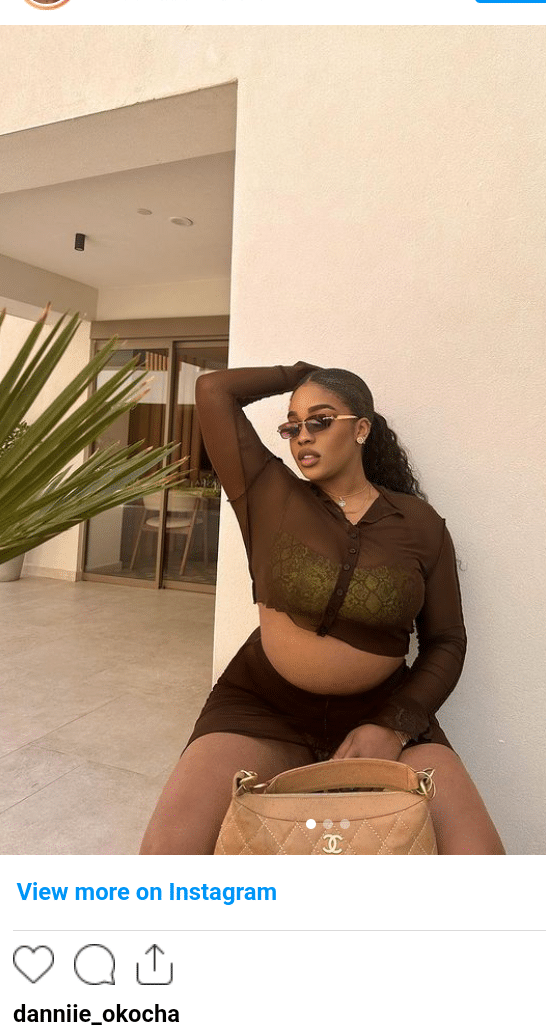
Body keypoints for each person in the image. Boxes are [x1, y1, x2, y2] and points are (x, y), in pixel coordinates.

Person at [140, 363, 505, 855]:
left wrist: (393, 726)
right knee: (166, 854)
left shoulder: (420, 524)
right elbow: (212, 389)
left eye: (320, 420)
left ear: (361, 429)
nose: (302, 436)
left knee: (480, 859)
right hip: (263, 708)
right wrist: (301, 373)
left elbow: (447, 642)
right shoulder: (266, 494)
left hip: (383, 709)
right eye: (292, 426)